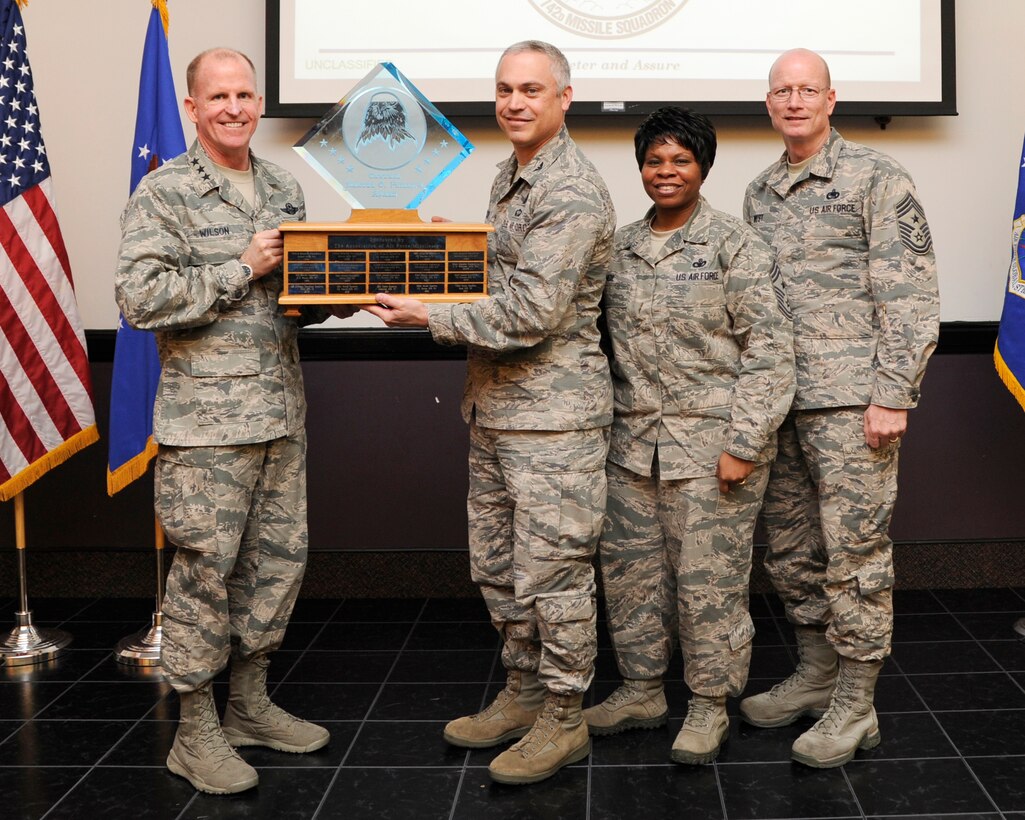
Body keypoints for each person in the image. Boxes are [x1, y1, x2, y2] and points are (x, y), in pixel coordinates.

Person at [363, 40, 615, 785]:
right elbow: (501, 272)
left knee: (555, 573)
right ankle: (523, 692)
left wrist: (430, 315)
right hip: (498, 412)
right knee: (500, 569)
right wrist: (435, 248)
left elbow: (532, 312)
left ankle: (564, 718)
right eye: (504, 88)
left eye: (531, 89)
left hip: (554, 421)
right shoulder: (512, 177)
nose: (514, 101)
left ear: (563, 98)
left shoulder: (568, 188)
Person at [115, 48, 349, 795]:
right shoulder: (165, 193)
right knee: (204, 578)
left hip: (280, 415)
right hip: (205, 428)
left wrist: (337, 292)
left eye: (246, 94)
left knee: (274, 569)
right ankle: (195, 730)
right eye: (219, 96)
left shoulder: (282, 187)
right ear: (192, 107)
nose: (235, 107)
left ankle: (248, 705)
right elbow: (140, 299)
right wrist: (240, 267)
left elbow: (292, 307)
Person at [740, 48, 940, 768]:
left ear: (831, 98)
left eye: (807, 89)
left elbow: (910, 295)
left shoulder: (876, 178)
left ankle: (855, 705)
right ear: (769, 104)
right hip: (781, 405)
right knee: (793, 553)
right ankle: (816, 674)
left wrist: (892, 395)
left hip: (854, 406)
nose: (794, 101)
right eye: (781, 91)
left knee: (853, 557)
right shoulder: (759, 191)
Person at [582, 107, 794, 764]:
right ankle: (642, 690)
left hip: (711, 451)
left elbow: (769, 350)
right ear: (640, 167)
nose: (665, 172)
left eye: (679, 160)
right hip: (629, 449)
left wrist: (744, 444)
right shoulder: (615, 248)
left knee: (708, 587)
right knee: (631, 578)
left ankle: (707, 704)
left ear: (702, 166)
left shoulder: (735, 245)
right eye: (654, 160)